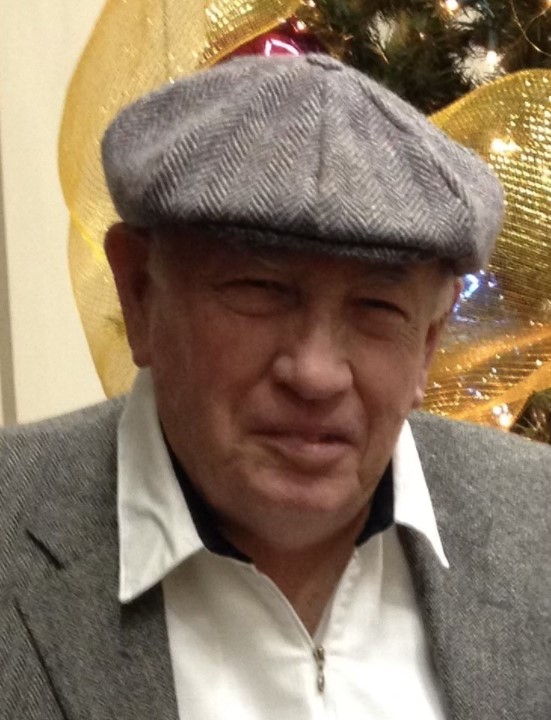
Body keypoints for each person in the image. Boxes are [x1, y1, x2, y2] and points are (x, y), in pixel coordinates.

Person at [1, 54, 549, 720]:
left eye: (376, 308)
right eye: (260, 290)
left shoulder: (539, 525)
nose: (315, 374)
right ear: (139, 293)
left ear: (428, 340)